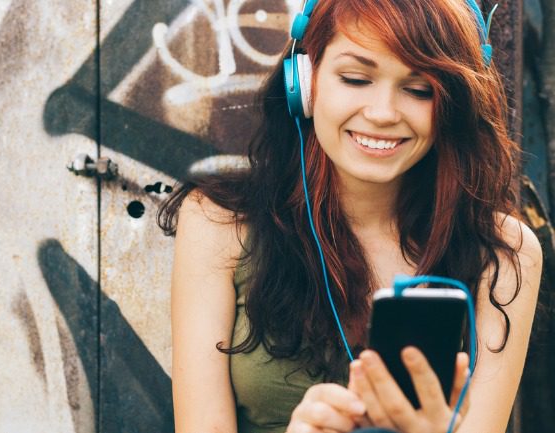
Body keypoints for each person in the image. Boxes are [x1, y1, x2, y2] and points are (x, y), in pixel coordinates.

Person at [158, 0, 544, 432]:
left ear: (452, 104)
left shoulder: (506, 254)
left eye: (419, 90)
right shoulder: (219, 224)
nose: (382, 113)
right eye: (356, 78)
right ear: (305, 80)